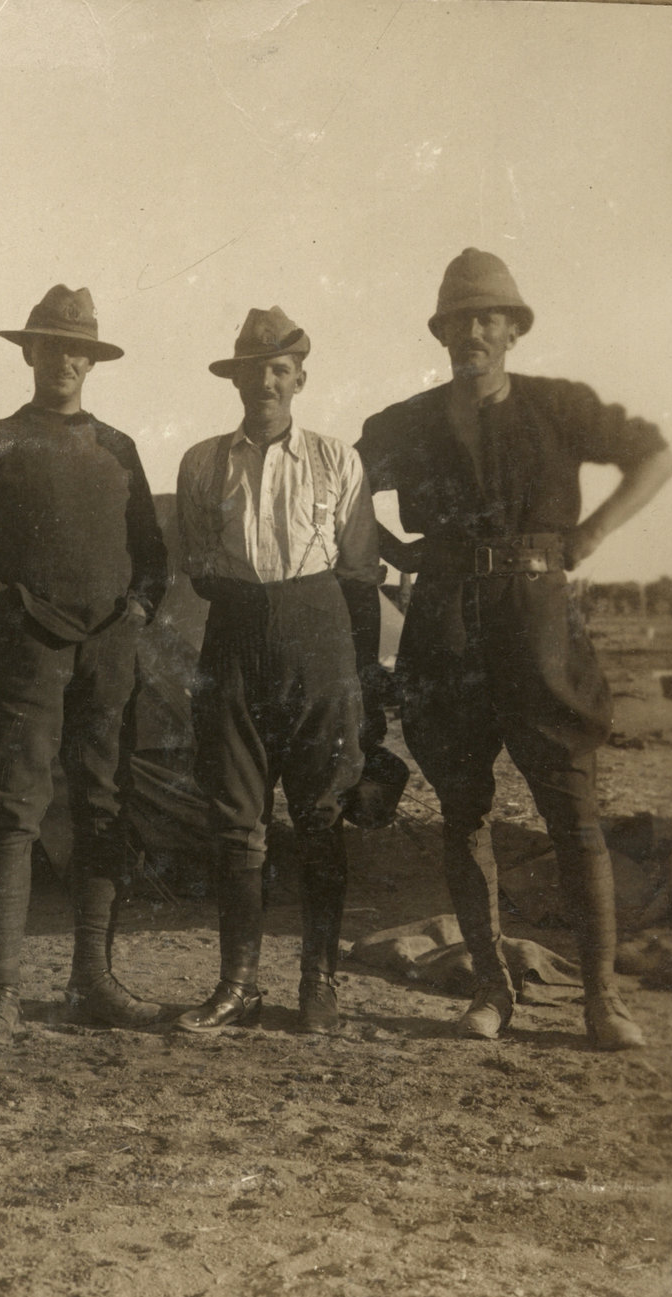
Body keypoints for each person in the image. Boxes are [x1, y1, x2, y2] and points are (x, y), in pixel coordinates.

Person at [355, 248, 672, 1049]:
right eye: (458, 319)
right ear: (441, 333)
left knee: (572, 809)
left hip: (538, 622)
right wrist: (394, 549)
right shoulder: (407, 423)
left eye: (487, 318)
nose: (472, 331)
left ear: (512, 330)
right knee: (463, 810)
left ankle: (601, 999)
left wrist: (590, 534)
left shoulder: (558, 406)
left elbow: (655, 454)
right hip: (446, 625)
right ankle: (491, 989)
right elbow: (341, 486)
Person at [0, 285, 167, 1046]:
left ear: (91, 362)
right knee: (14, 811)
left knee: (103, 808)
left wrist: (135, 614)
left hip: (106, 655)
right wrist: (7, 607)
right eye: (52, 346)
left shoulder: (118, 448)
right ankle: (1, 997)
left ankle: (92, 980)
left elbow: (153, 556)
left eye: (79, 350)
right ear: (29, 352)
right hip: (27, 654)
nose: (65, 360)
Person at [175, 306, 382, 1034]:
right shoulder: (202, 462)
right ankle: (238, 985)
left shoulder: (336, 459)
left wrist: (360, 679)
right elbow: (198, 565)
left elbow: (360, 571)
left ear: (299, 379)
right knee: (237, 816)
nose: (264, 382)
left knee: (321, 811)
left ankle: (318, 984)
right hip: (233, 639)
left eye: (278, 370)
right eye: (251, 371)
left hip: (319, 639)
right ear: (234, 381)